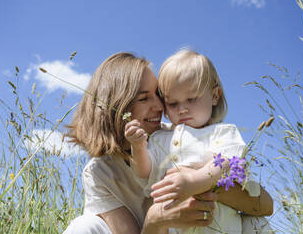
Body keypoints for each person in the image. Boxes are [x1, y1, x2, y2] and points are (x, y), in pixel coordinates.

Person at [63, 52, 273, 234]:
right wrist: (156, 220)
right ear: (118, 107)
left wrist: (196, 179)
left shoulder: (179, 136)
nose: (159, 106)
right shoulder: (99, 172)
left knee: (256, 224)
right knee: (84, 226)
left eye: (159, 95)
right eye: (144, 98)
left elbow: (264, 205)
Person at [125, 49, 273, 233]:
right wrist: (138, 147)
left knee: (257, 225)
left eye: (191, 99)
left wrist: (193, 181)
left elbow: (227, 163)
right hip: (176, 228)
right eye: (172, 103)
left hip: (220, 227)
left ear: (215, 96)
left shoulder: (222, 133)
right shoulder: (159, 139)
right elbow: (144, 172)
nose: (182, 109)